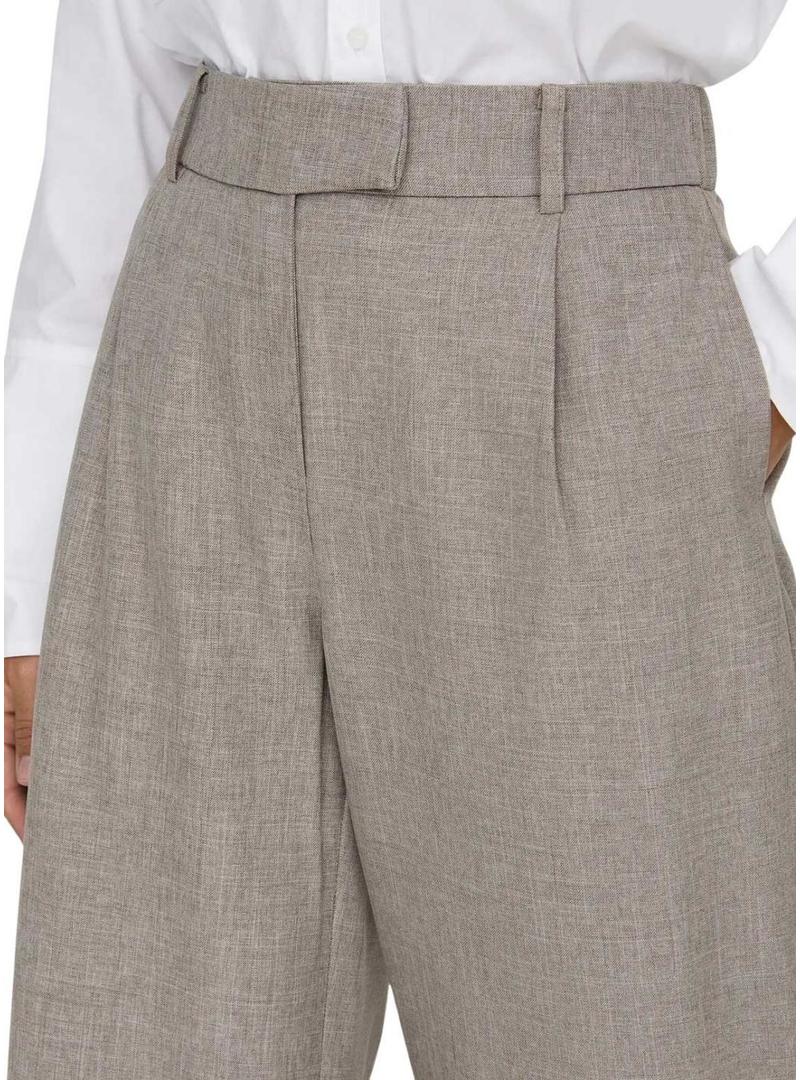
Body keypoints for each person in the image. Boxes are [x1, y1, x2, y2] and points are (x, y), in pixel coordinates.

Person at [3, 1, 796, 1077]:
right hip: (197, 319)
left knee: (617, 1026)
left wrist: (778, 351)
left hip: (585, 314)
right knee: (138, 1043)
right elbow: (118, 64)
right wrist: (33, 557)